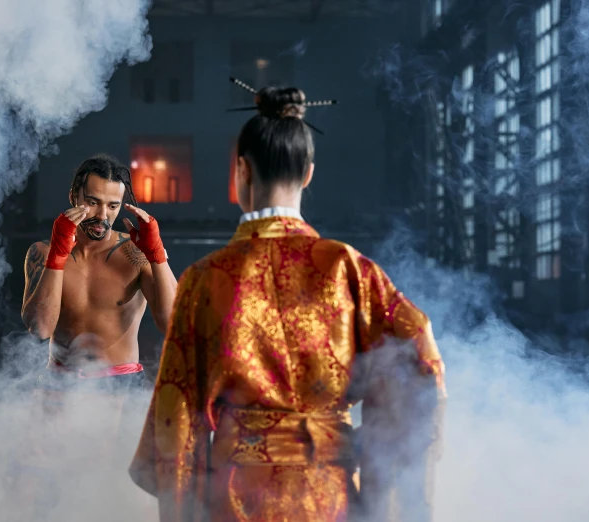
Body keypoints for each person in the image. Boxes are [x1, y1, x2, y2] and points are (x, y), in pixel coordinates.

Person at [128, 85, 447, 522]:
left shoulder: (206, 278)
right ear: (309, 173)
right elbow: (420, 361)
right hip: (329, 496)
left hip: (237, 495)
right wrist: (380, 483)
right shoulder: (350, 269)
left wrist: (183, 507)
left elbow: (177, 414)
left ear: (241, 170)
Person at [1, 153, 177, 521]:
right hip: (58, 384)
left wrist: (158, 256)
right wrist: (59, 255)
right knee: (27, 489)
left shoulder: (134, 254)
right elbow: (41, 327)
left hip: (119, 388)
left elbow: (174, 322)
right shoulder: (43, 252)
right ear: (73, 196)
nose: (102, 215)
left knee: (123, 494)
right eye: (92, 202)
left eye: (112, 205)